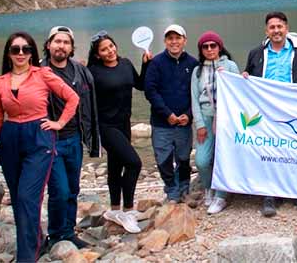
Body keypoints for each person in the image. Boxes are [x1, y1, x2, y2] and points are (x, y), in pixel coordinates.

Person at [0, 32, 79, 263]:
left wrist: (58, 123)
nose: (21, 53)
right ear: (8, 53)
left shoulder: (43, 74)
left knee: (28, 196)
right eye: (15, 49)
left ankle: (26, 257)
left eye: (26, 49)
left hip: (39, 138)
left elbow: (72, 98)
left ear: (32, 53)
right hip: (10, 139)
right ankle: (35, 238)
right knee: (18, 197)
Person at [243, 11, 297, 216]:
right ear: (266, 30)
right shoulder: (256, 53)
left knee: (294, 148)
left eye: (279, 26)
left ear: (286, 28)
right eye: (272, 27)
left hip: (294, 107)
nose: (276, 30)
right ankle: (270, 195)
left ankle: (295, 190)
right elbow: (248, 74)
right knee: (269, 150)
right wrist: (244, 77)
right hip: (266, 109)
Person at [41, 26, 100, 249]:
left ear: (71, 47)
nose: (61, 46)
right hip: (51, 140)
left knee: (73, 189)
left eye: (66, 42)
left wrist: (92, 138)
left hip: (75, 138)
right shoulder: (38, 71)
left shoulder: (80, 71)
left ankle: (68, 231)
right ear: (48, 45)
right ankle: (56, 235)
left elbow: (89, 103)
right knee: (59, 190)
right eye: (57, 41)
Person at [88, 31, 150, 233]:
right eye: (104, 49)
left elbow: (140, 84)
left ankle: (114, 209)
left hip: (124, 123)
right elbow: (80, 91)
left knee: (115, 165)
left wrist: (146, 64)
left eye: (111, 46)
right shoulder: (93, 71)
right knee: (134, 163)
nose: (109, 51)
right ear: (97, 54)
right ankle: (129, 210)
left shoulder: (125, 64)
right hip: (106, 126)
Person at [144, 24, 198, 203]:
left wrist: (189, 115)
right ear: (165, 41)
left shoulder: (193, 64)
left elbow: (197, 93)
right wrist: (167, 114)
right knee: (163, 160)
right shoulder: (156, 63)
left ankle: (184, 190)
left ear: (184, 40)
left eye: (178, 38)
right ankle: (172, 192)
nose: (174, 42)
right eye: (170, 38)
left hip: (183, 123)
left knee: (183, 158)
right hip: (162, 123)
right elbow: (150, 91)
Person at [191, 31, 240, 215]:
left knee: (224, 157)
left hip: (226, 119)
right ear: (201, 49)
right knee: (202, 160)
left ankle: (221, 196)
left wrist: (230, 76)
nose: (210, 49)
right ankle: (208, 187)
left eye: (213, 45)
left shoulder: (230, 65)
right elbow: (194, 99)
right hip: (206, 117)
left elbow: (239, 91)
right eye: (206, 46)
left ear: (219, 47)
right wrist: (200, 125)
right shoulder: (197, 71)